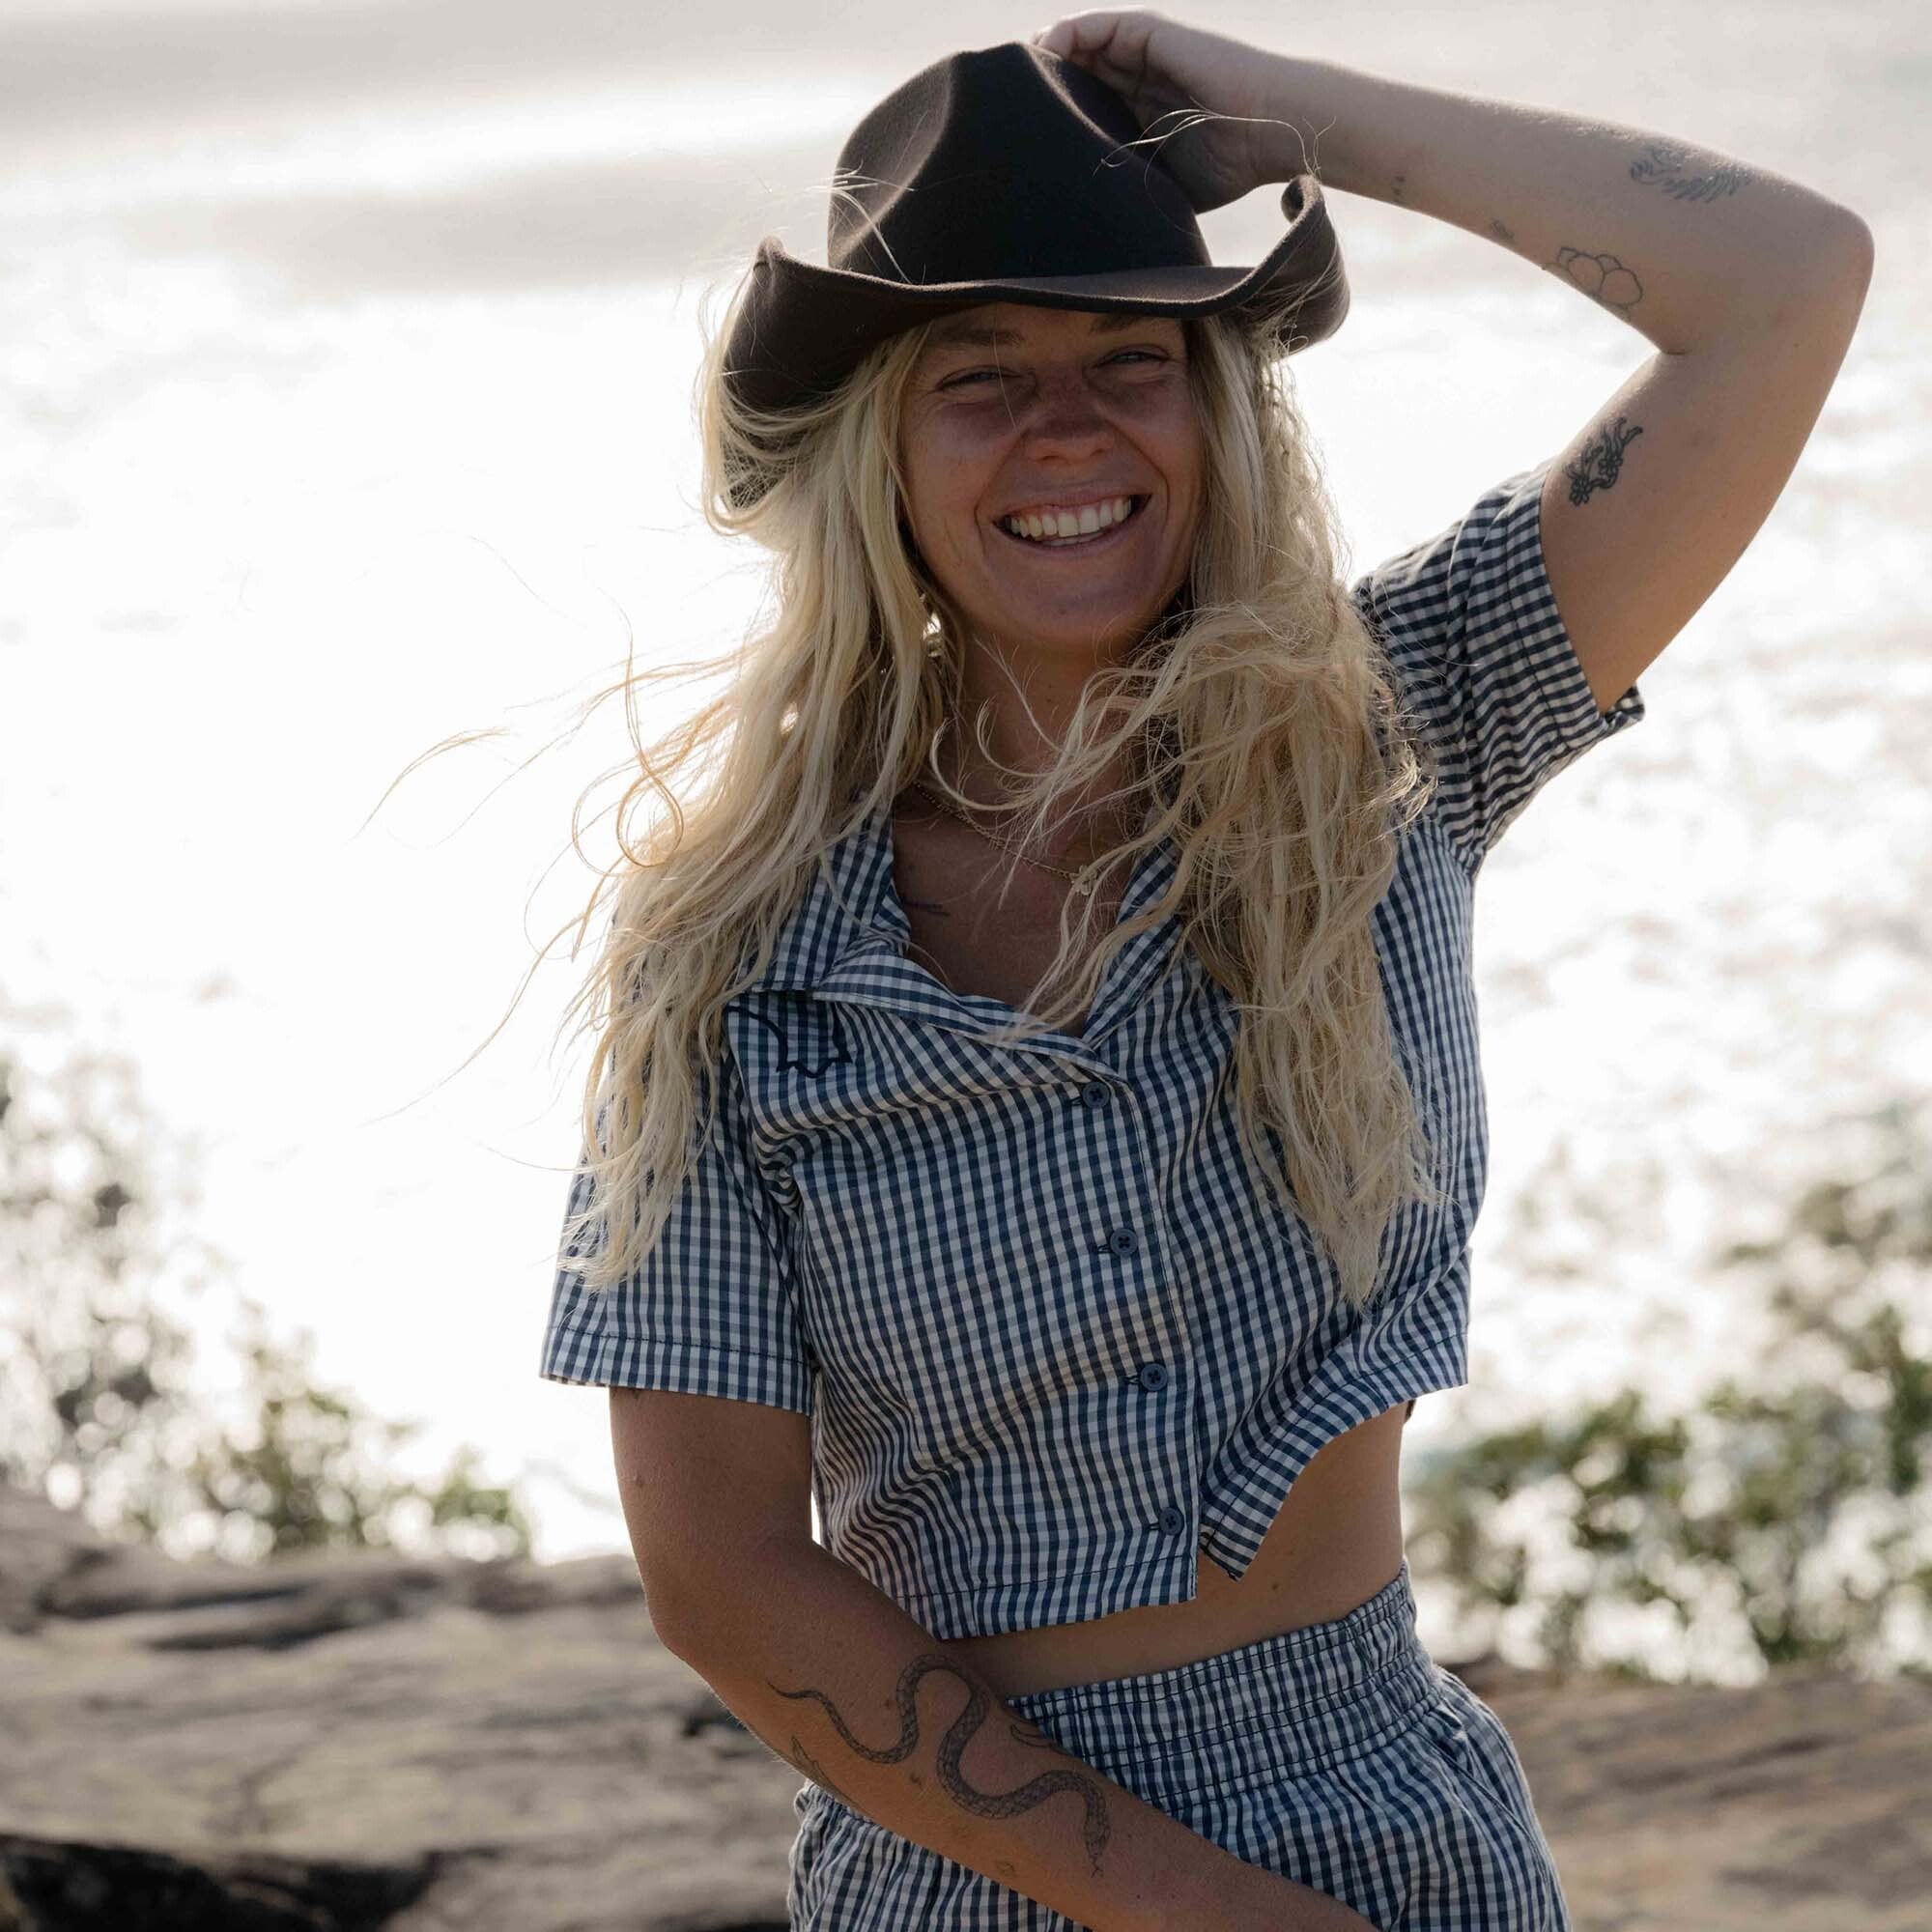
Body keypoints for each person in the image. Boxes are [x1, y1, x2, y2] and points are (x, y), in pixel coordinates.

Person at [537, 16, 1872, 1929]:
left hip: (1393, 1834)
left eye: (1130, 361)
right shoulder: (730, 957)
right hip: (968, 1883)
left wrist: (1296, 119)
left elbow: (1783, 282)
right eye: (979, 379)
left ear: (1216, 409)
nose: (1066, 429)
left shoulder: (1396, 735)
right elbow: (726, 1572)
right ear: (882, 456)